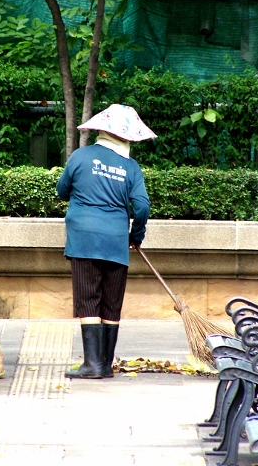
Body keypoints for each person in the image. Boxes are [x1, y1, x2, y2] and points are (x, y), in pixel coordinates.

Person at [56, 104, 157, 379]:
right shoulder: (130, 166)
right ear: (127, 137)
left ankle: (92, 365)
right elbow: (143, 207)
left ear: (101, 129)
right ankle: (104, 364)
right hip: (116, 242)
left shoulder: (80, 156)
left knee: (88, 298)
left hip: (83, 239)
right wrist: (135, 237)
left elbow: (62, 189)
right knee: (111, 302)